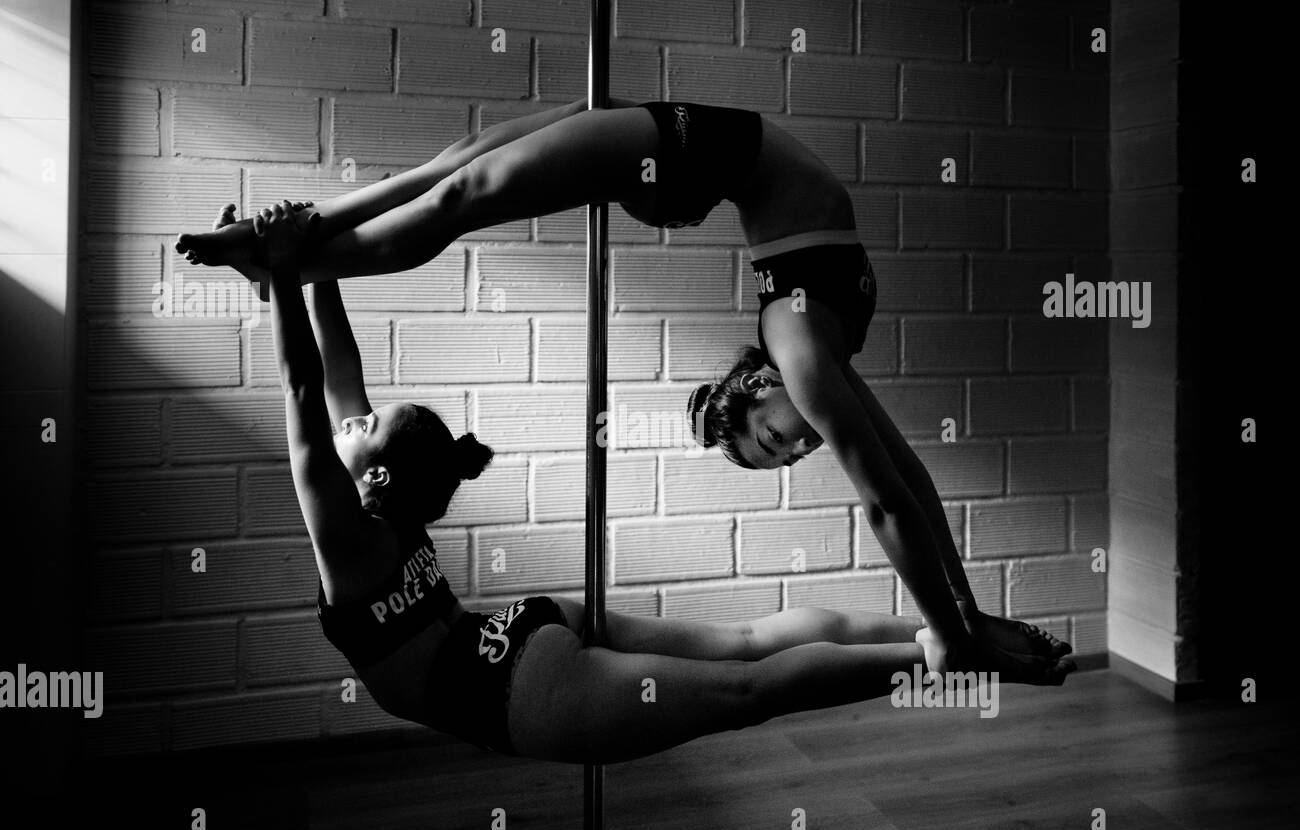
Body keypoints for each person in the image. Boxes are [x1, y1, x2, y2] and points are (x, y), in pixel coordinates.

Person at [177, 99, 1070, 678]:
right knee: (465, 174)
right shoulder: (800, 348)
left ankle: (283, 251)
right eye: (779, 443)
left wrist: (966, 622)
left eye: (775, 446)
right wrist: (955, 631)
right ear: (756, 385)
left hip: (690, 163)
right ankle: (281, 247)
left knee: (462, 176)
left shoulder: (808, 352)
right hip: (694, 156)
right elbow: (889, 497)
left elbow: (901, 488)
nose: (798, 445)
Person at [240, 198, 1073, 765]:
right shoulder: (375, 504)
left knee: (746, 686)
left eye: (363, 426)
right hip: (526, 629)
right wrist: (299, 269)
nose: (352, 421)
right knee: (741, 648)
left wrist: (294, 271)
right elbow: (331, 384)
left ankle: (940, 652)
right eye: (362, 422)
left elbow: (309, 389)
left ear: (372, 470)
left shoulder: (352, 525)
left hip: (515, 686)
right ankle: (939, 633)